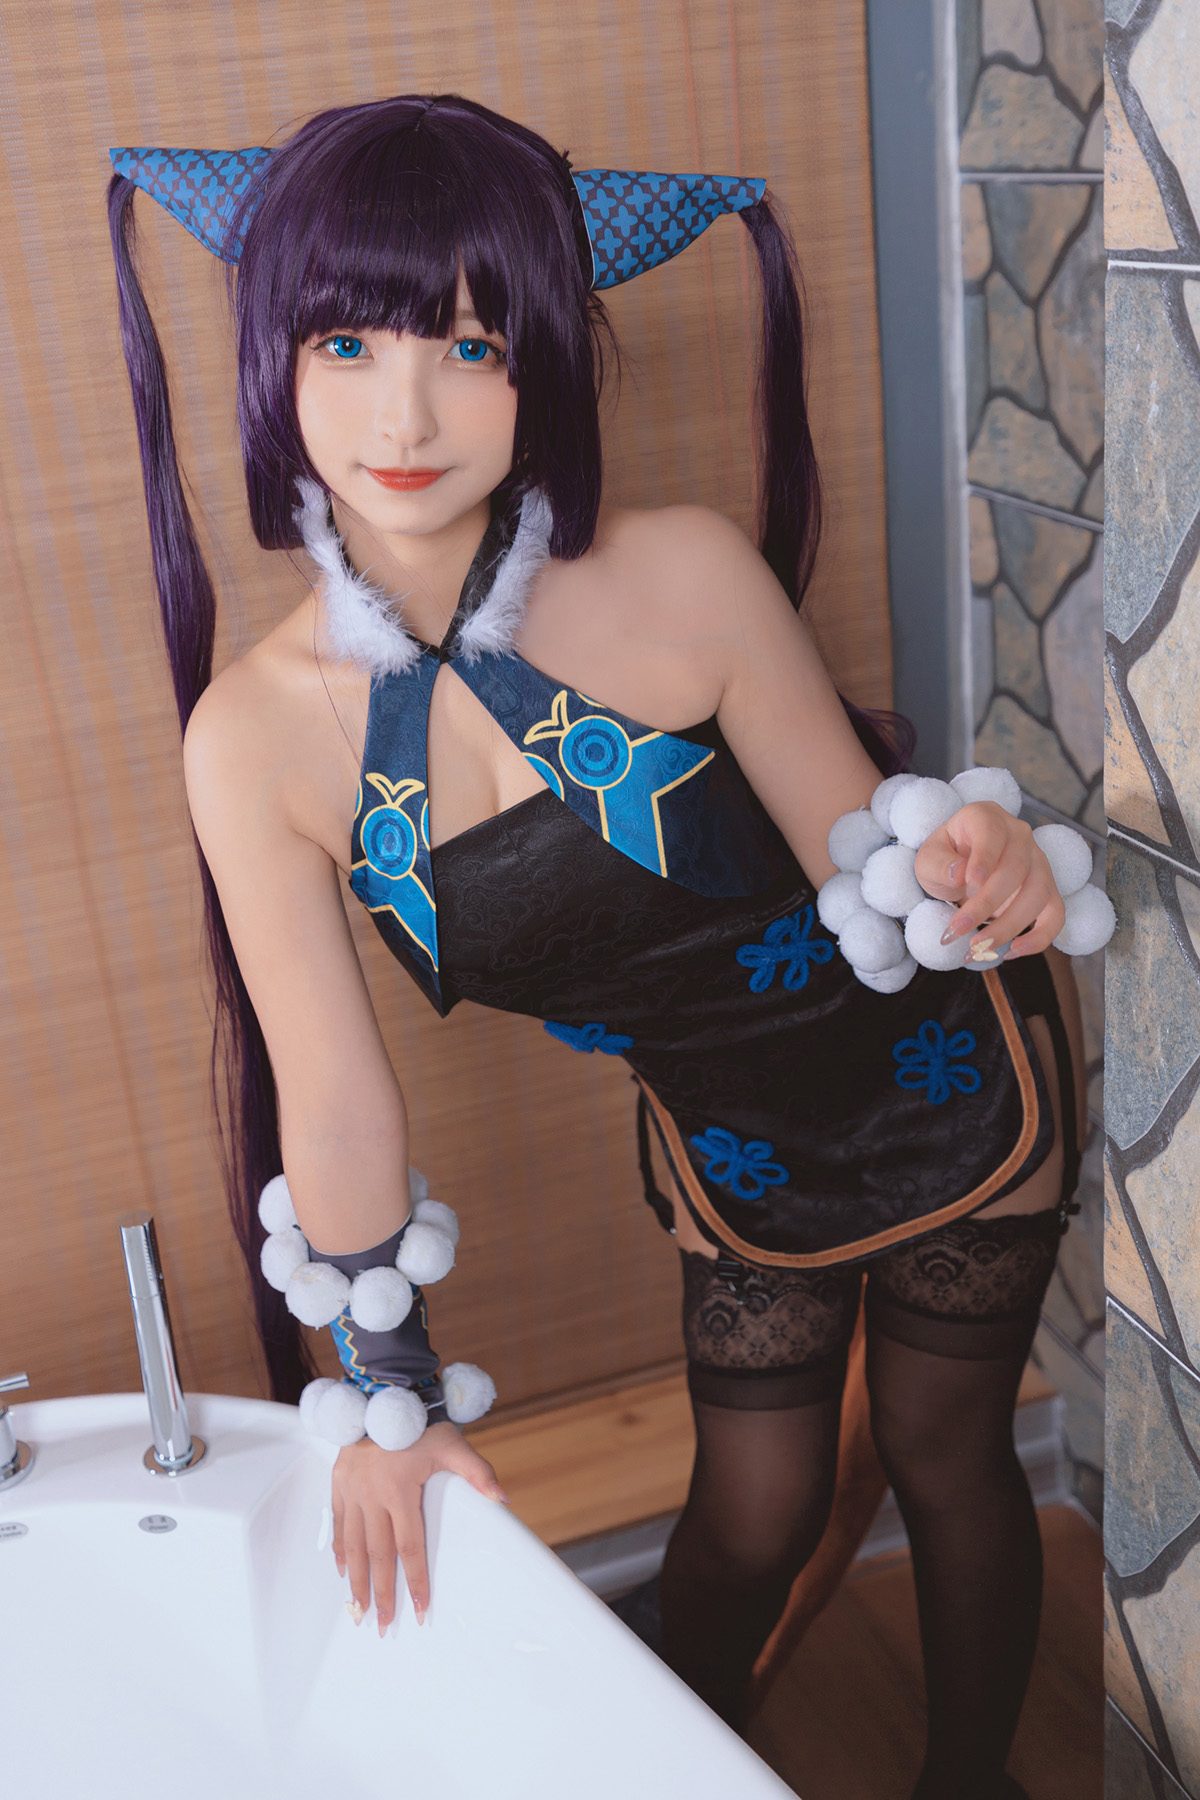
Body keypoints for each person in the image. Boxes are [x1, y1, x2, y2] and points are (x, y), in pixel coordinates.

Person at [107, 93, 1089, 1798]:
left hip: (950, 1072)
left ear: (545, 359)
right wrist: (391, 1402)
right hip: (735, 1141)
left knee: (949, 1459)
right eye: (346, 342)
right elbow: (332, 1105)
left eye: (471, 346)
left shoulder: (686, 572)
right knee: (753, 1515)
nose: (405, 413)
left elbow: (868, 856)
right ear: (274, 355)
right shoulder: (251, 740)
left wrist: (974, 857)